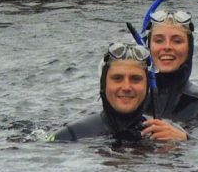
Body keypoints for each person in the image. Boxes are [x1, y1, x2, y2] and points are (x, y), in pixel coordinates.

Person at [49, 41, 187, 142]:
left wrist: (184, 142)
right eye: (117, 78)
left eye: (135, 79)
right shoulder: (70, 135)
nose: (126, 87)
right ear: (104, 84)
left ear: (147, 86)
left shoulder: (171, 132)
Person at [143, 9, 198, 123]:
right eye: (159, 40)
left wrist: (186, 139)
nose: (167, 47)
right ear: (149, 46)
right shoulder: (134, 100)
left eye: (177, 41)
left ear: (189, 48)